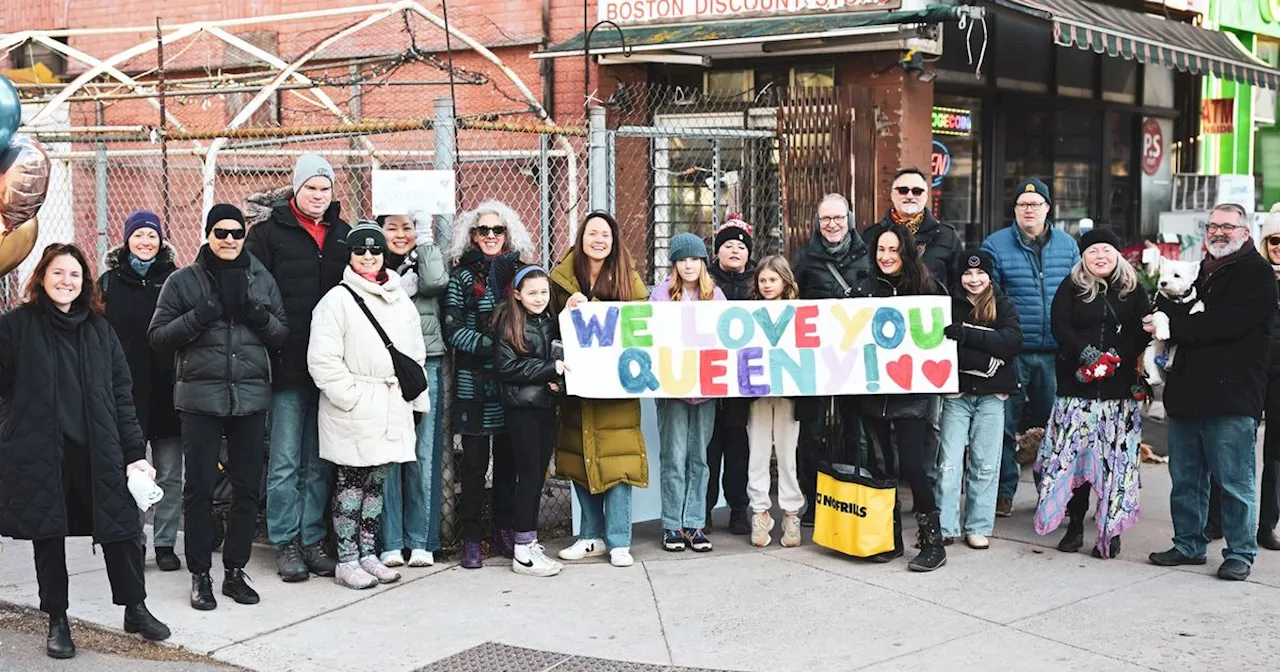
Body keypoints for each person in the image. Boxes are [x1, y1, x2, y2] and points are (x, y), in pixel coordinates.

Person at [0, 243, 170, 659]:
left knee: (122, 530)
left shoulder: (99, 330)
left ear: (85, 282)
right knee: (49, 535)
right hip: (40, 450)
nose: (66, 281)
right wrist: (10, 427)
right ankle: (57, 619)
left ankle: (135, 607)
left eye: (74, 274)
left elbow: (121, 395)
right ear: (41, 277)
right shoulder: (16, 326)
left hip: (98, 449)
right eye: (57, 273)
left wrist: (135, 452)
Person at [149, 204, 289, 609]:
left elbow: (281, 332)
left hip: (249, 399)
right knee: (200, 489)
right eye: (221, 231)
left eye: (236, 233)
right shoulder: (183, 281)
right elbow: (158, 336)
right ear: (208, 233)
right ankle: (199, 574)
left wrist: (255, 314)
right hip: (200, 401)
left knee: (247, 487)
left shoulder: (261, 278)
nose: (229, 239)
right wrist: (201, 315)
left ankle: (233, 570)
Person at [1149, 203, 1279, 581]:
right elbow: (1166, 304)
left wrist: (1171, 326)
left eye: (1228, 226)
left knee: (1234, 482)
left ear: (1246, 232)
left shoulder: (1257, 274)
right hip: (1187, 395)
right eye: (1213, 226)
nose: (1219, 232)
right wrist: (1159, 319)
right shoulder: (1199, 269)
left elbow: (1226, 325)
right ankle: (1189, 544)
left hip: (1232, 396)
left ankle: (1240, 552)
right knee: (1186, 479)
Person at [246, 152, 351, 582]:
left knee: (318, 461)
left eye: (325, 189)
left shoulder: (344, 235)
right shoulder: (268, 234)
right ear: (297, 188)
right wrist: (278, 338)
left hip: (330, 369)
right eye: (311, 188)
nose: (319, 196)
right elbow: (252, 293)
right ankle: (285, 542)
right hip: (287, 367)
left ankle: (311, 540)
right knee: (285, 460)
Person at [308, 223, 429, 589]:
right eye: (360, 250)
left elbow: (415, 353)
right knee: (350, 483)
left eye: (375, 251)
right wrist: (351, 397)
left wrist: (415, 400)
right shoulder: (336, 301)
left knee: (376, 483)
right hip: (356, 405)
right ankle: (346, 558)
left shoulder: (399, 298)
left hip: (392, 402)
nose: (368, 257)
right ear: (350, 255)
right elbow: (323, 360)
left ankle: (367, 552)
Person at [1034, 228, 1148, 560]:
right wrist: (1087, 354)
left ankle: (1110, 530)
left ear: (1117, 255)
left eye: (1106, 250)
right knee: (1076, 461)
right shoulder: (1071, 287)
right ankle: (1074, 526)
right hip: (1076, 391)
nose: (1100, 256)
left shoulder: (1133, 290)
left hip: (1117, 395)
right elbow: (1060, 326)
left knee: (1113, 465)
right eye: (1093, 251)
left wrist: (1115, 356)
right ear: (1083, 257)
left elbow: (1141, 331)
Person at [553, 211, 649, 568]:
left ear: (614, 241)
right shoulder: (561, 279)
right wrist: (568, 307)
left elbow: (641, 322)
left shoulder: (629, 279)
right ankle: (590, 536)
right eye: (592, 233)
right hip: (577, 384)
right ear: (581, 238)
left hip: (616, 387)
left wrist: (597, 309)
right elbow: (546, 320)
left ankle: (619, 540)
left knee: (617, 462)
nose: (598, 239)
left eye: (605, 234)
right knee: (581, 459)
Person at [981, 178, 1080, 517]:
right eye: (1023, 204)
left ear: (1048, 209)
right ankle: (1003, 493)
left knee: (1053, 428)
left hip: (1055, 353)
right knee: (1005, 428)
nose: (1029, 209)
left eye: (1035, 204)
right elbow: (989, 297)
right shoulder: (995, 245)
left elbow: (1079, 294)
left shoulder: (1068, 246)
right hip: (1013, 354)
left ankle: (1051, 493)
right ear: (1015, 210)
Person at [444, 200, 532, 569]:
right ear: (472, 235)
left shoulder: (522, 276)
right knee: (475, 466)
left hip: (512, 385)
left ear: (507, 234)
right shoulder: (462, 277)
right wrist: (492, 347)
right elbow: (453, 330)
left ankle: (504, 529)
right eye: (484, 230)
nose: (491, 236)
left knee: (510, 464)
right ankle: (470, 538)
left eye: (498, 230)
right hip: (473, 385)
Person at [855, 224, 947, 571]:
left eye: (893, 250)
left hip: (911, 394)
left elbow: (940, 332)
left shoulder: (926, 288)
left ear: (905, 251)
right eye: (881, 250)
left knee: (913, 466)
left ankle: (932, 541)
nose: (886, 256)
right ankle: (888, 537)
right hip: (873, 394)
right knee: (882, 468)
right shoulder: (862, 290)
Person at [99, 210, 183, 572]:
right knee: (131, 473)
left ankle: (165, 542)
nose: (146, 242)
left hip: (169, 392)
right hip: (126, 395)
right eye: (139, 235)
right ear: (126, 239)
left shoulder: (177, 280)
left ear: (161, 240)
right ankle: (134, 539)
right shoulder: (108, 283)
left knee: (170, 473)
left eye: (152, 236)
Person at [791, 193, 871, 525]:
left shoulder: (867, 256)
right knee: (811, 431)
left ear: (849, 219)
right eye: (826, 219)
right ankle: (813, 498)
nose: (832, 224)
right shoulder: (804, 259)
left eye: (838, 218)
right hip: (816, 359)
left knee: (858, 430)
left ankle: (859, 495)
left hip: (856, 358)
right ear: (817, 222)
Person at [376, 211, 450, 568]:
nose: (400, 234)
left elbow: (437, 282)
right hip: (383, 364)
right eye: (393, 228)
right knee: (389, 452)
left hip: (426, 361)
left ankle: (421, 540)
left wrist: (424, 239)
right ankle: (390, 540)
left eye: (408, 227)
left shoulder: (425, 257)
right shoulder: (371, 258)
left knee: (423, 452)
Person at [938, 250, 1022, 549]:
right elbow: (943, 347)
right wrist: (985, 360)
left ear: (990, 275)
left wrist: (967, 334)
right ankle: (946, 525)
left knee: (985, 464)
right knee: (949, 464)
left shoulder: (1003, 303)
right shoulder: (947, 305)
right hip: (956, 395)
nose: (974, 280)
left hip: (991, 397)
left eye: (980, 273)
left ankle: (978, 526)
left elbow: (1011, 343)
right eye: (967, 273)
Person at [650, 232, 726, 553]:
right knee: (673, 455)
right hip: (673, 387)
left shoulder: (716, 296)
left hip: (706, 389)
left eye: (695, 258)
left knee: (700, 457)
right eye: (682, 259)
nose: (689, 264)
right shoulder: (661, 295)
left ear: (703, 263)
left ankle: (695, 523)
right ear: (675, 264)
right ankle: (672, 524)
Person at [494, 265, 567, 576]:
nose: (539, 298)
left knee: (538, 475)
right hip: (521, 411)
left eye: (543, 292)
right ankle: (522, 550)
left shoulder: (549, 323)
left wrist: (555, 383)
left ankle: (529, 540)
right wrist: (549, 371)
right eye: (532, 292)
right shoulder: (509, 324)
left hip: (545, 408)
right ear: (518, 295)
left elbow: (559, 363)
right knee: (528, 477)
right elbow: (508, 368)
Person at [745, 255, 804, 548]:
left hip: (787, 394)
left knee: (786, 454)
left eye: (773, 279)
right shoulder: (747, 313)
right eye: (763, 280)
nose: (767, 285)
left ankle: (791, 513)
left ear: (785, 281)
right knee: (756, 452)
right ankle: (760, 512)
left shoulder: (799, 313)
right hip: (756, 393)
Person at [706, 215, 755, 535]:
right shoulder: (705, 281)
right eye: (728, 245)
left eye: (741, 245)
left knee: (739, 450)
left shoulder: (759, 282)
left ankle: (739, 509)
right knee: (708, 449)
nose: (735, 250)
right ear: (717, 252)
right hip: (709, 381)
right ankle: (704, 509)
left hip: (743, 382)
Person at [862, 167, 962, 291]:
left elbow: (957, 284)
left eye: (917, 191)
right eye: (903, 190)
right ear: (892, 195)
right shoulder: (871, 235)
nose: (909, 196)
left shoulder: (947, 236)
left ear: (926, 196)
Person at [1255, 209, 1280, 551]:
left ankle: (1267, 525)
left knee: (1275, 452)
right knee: (1229, 447)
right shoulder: (1253, 275)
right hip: (1249, 371)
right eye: (1276, 240)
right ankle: (1217, 520)